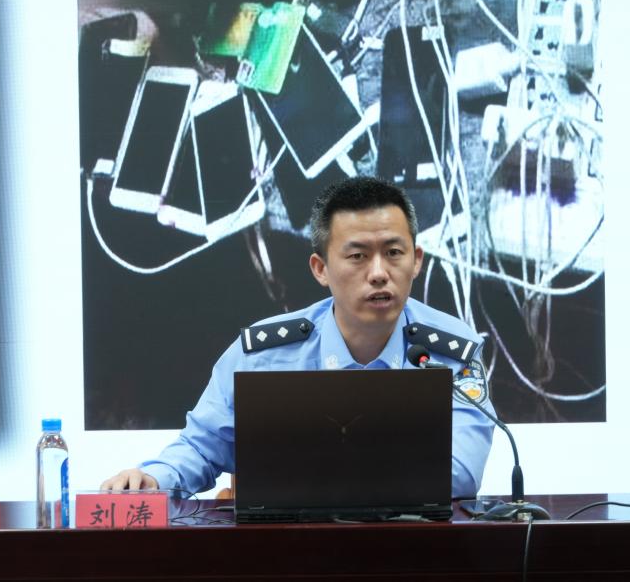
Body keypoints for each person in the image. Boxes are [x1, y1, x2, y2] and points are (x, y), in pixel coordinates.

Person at [101, 177, 495, 497]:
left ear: (417, 261)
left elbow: (460, 473)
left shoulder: (453, 351)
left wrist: (309, 475)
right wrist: (153, 479)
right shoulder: (264, 354)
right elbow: (200, 446)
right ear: (320, 269)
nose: (378, 273)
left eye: (394, 252)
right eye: (357, 256)